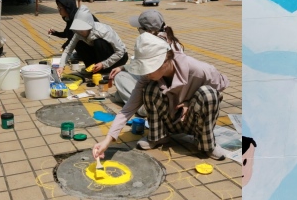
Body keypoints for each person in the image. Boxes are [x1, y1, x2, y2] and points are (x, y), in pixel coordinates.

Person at [93, 32, 229, 161]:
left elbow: (219, 89)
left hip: (192, 122)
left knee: (208, 94)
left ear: (164, 61)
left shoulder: (199, 69)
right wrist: (108, 140)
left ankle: (207, 145)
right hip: (169, 121)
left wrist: (189, 102)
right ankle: (159, 137)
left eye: (149, 68)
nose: (146, 73)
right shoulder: (147, 78)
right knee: (150, 89)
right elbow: (128, 108)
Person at [110, 10, 185, 106]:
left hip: (158, 84)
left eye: (139, 28)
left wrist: (124, 68)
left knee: (120, 77)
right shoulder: (170, 39)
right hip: (164, 82)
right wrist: (123, 67)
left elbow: (146, 70)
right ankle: (125, 97)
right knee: (126, 77)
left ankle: (141, 106)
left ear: (147, 30)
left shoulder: (154, 44)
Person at [56, 6, 128, 77]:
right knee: (79, 43)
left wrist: (103, 64)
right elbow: (68, 50)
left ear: (89, 26)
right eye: (78, 29)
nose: (80, 32)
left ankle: (105, 70)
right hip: (101, 58)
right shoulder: (78, 33)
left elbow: (120, 52)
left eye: (82, 30)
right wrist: (61, 66)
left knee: (99, 42)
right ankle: (92, 69)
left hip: (119, 58)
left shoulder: (103, 31)